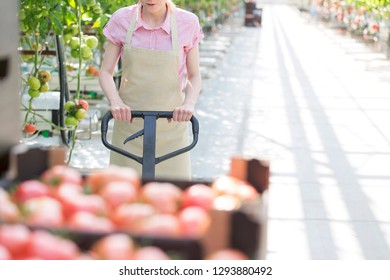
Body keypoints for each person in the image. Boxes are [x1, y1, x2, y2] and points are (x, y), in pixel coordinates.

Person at [99, 0, 203, 180]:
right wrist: (115, 102)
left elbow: (194, 75)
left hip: (171, 125)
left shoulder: (187, 22)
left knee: (172, 196)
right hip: (129, 125)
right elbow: (106, 72)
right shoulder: (122, 19)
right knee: (124, 194)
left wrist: (188, 104)